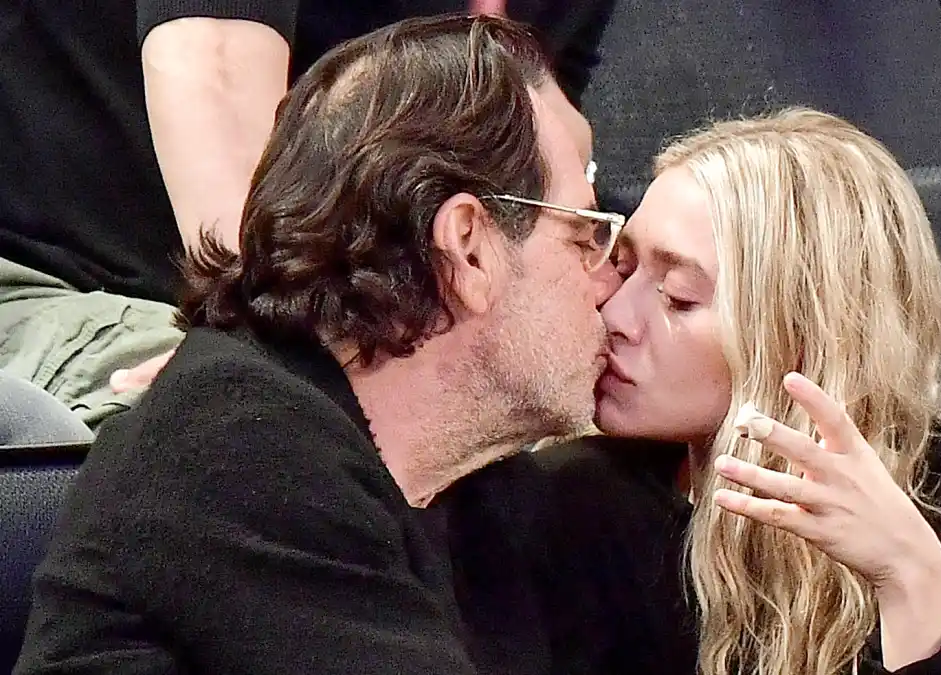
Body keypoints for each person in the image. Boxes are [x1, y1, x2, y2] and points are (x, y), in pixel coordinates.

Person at [15, 15, 627, 674]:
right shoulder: (241, 447)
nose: (611, 281)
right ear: (468, 249)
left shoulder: (480, 492)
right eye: (585, 235)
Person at [527, 108, 941, 675]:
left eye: (677, 296)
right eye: (622, 265)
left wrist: (912, 582)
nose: (614, 313)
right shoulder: (572, 502)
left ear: (805, 334)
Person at [0, 0, 611, 434]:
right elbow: (209, 63)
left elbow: (547, 131)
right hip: (66, 281)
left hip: (372, 297)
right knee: (245, 429)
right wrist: (272, 344)